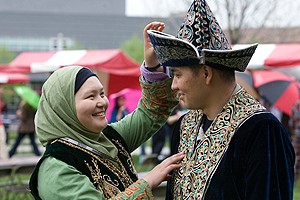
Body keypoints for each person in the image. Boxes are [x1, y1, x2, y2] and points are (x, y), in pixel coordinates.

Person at [146, 0, 295, 199]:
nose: (173, 86)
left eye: (178, 75)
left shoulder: (263, 131)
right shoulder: (184, 127)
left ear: (206, 73)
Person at [29, 22, 185, 199]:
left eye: (102, 94)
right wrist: (147, 182)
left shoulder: (110, 138)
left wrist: (152, 66)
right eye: (90, 96)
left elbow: (152, 111)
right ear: (64, 108)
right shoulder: (56, 167)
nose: (102, 102)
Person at [289, 99, 300, 182]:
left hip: (297, 136)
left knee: (294, 161)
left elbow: (291, 124)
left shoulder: (296, 105)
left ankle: (292, 181)